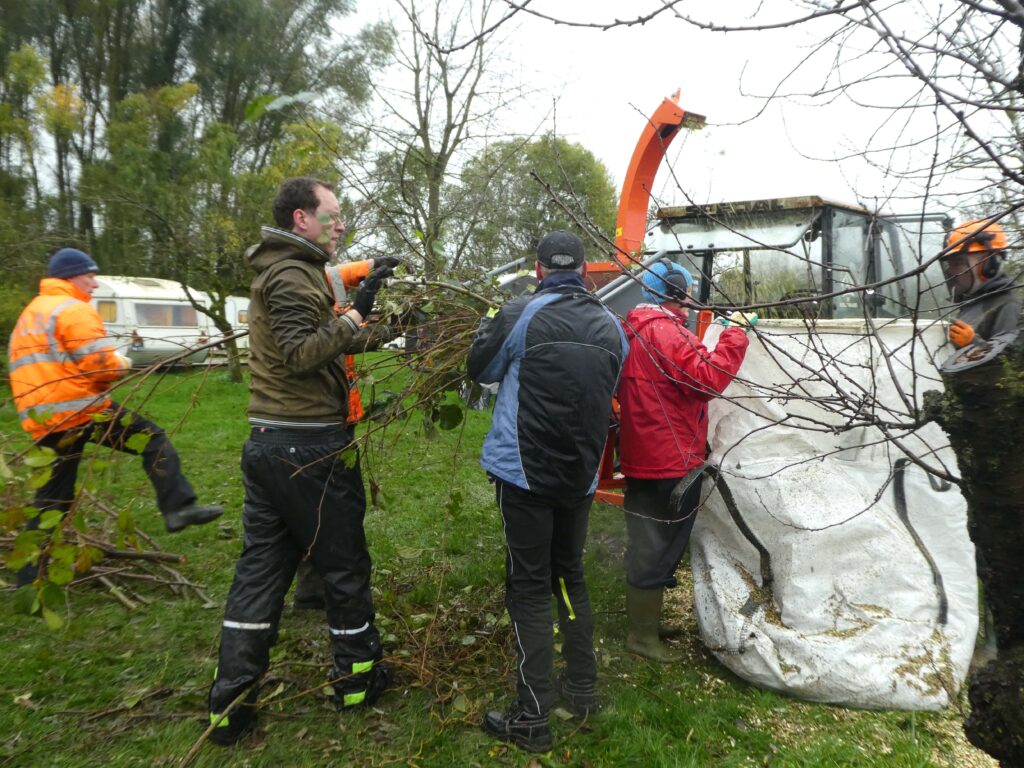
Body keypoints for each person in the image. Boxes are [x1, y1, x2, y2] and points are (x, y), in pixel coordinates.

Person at [206, 177, 395, 746]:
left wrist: (389, 327)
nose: (342, 223)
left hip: (274, 443)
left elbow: (329, 344)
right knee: (343, 564)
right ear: (300, 218)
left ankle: (230, 704)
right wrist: (357, 315)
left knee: (261, 571)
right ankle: (357, 681)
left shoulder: (297, 269)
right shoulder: (290, 275)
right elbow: (300, 354)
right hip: (308, 448)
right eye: (332, 214)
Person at [467, 230, 629, 753]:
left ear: (539, 270)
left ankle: (532, 716)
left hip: (525, 475)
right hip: (579, 476)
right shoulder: (612, 325)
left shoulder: (520, 313)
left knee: (531, 587)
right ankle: (581, 687)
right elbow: (611, 383)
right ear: (583, 270)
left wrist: (486, 327)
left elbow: (480, 369)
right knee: (569, 576)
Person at [7, 248, 223, 588]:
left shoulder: (31, 313)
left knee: (52, 499)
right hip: (82, 410)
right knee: (152, 439)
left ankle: (28, 578)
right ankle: (178, 507)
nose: (94, 283)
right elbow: (100, 367)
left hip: (44, 420)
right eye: (89, 276)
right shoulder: (72, 309)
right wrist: (123, 363)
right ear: (71, 277)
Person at [924, 219, 1023, 765]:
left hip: (1007, 465)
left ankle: (1000, 651)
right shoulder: (969, 305)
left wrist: (980, 347)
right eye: (949, 264)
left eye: (960, 263)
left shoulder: (1011, 308)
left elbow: (1013, 379)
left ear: (987, 260)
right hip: (975, 459)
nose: (953, 272)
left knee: (1007, 564)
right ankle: (988, 639)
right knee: (985, 552)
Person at [617, 261, 752, 662]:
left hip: (644, 454)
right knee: (658, 547)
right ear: (676, 292)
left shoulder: (634, 327)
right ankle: (641, 637)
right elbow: (706, 378)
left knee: (648, 542)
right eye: (687, 289)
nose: (691, 297)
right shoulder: (666, 332)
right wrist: (736, 335)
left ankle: (645, 624)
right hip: (669, 457)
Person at [292, 256, 401, 611]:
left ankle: (313, 587)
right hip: (323, 418)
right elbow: (347, 340)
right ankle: (335, 593)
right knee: (333, 506)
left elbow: (341, 275)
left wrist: (378, 265)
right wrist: (392, 328)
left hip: (339, 413)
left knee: (319, 505)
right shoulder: (304, 293)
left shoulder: (323, 279)